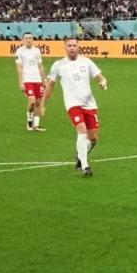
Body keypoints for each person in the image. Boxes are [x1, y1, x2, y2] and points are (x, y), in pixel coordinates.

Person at [39, 38, 108, 177]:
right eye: (69, 46)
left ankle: (80, 156)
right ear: (65, 47)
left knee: (93, 139)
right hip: (73, 104)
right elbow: (50, 85)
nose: (72, 48)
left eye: (74, 45)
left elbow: (101, 78)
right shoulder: (59, 65)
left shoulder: (86, 62)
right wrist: (43, 104)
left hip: (90, 104)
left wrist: (103, 82)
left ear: (78, 47)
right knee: (81, 130)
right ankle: (85, 166)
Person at [15, 33, 46, 131]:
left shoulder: (37, 51)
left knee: (38, 102)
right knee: (32, 101)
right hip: (27, 80)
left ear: (32, 39)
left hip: (37, 80)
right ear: (23, 40)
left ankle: (36, 125)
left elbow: (40, 66)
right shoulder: (20, 51)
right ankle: (29, 120)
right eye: (26, 38)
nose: (28, 40)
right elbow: (19, 68)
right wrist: (21, 82)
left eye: (30, 38)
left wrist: (44, 80)